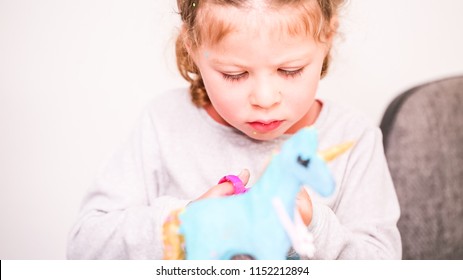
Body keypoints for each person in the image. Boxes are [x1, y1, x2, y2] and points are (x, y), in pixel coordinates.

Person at [67, 0, 401, 259]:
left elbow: (382, 262)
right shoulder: (163, 122)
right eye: (234, 74)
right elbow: (85, 246)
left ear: (326, 39)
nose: (265, 98)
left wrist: (314, 225)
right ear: (192, 48)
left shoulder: (354, 139)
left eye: (290, 70)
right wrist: (184, 224)